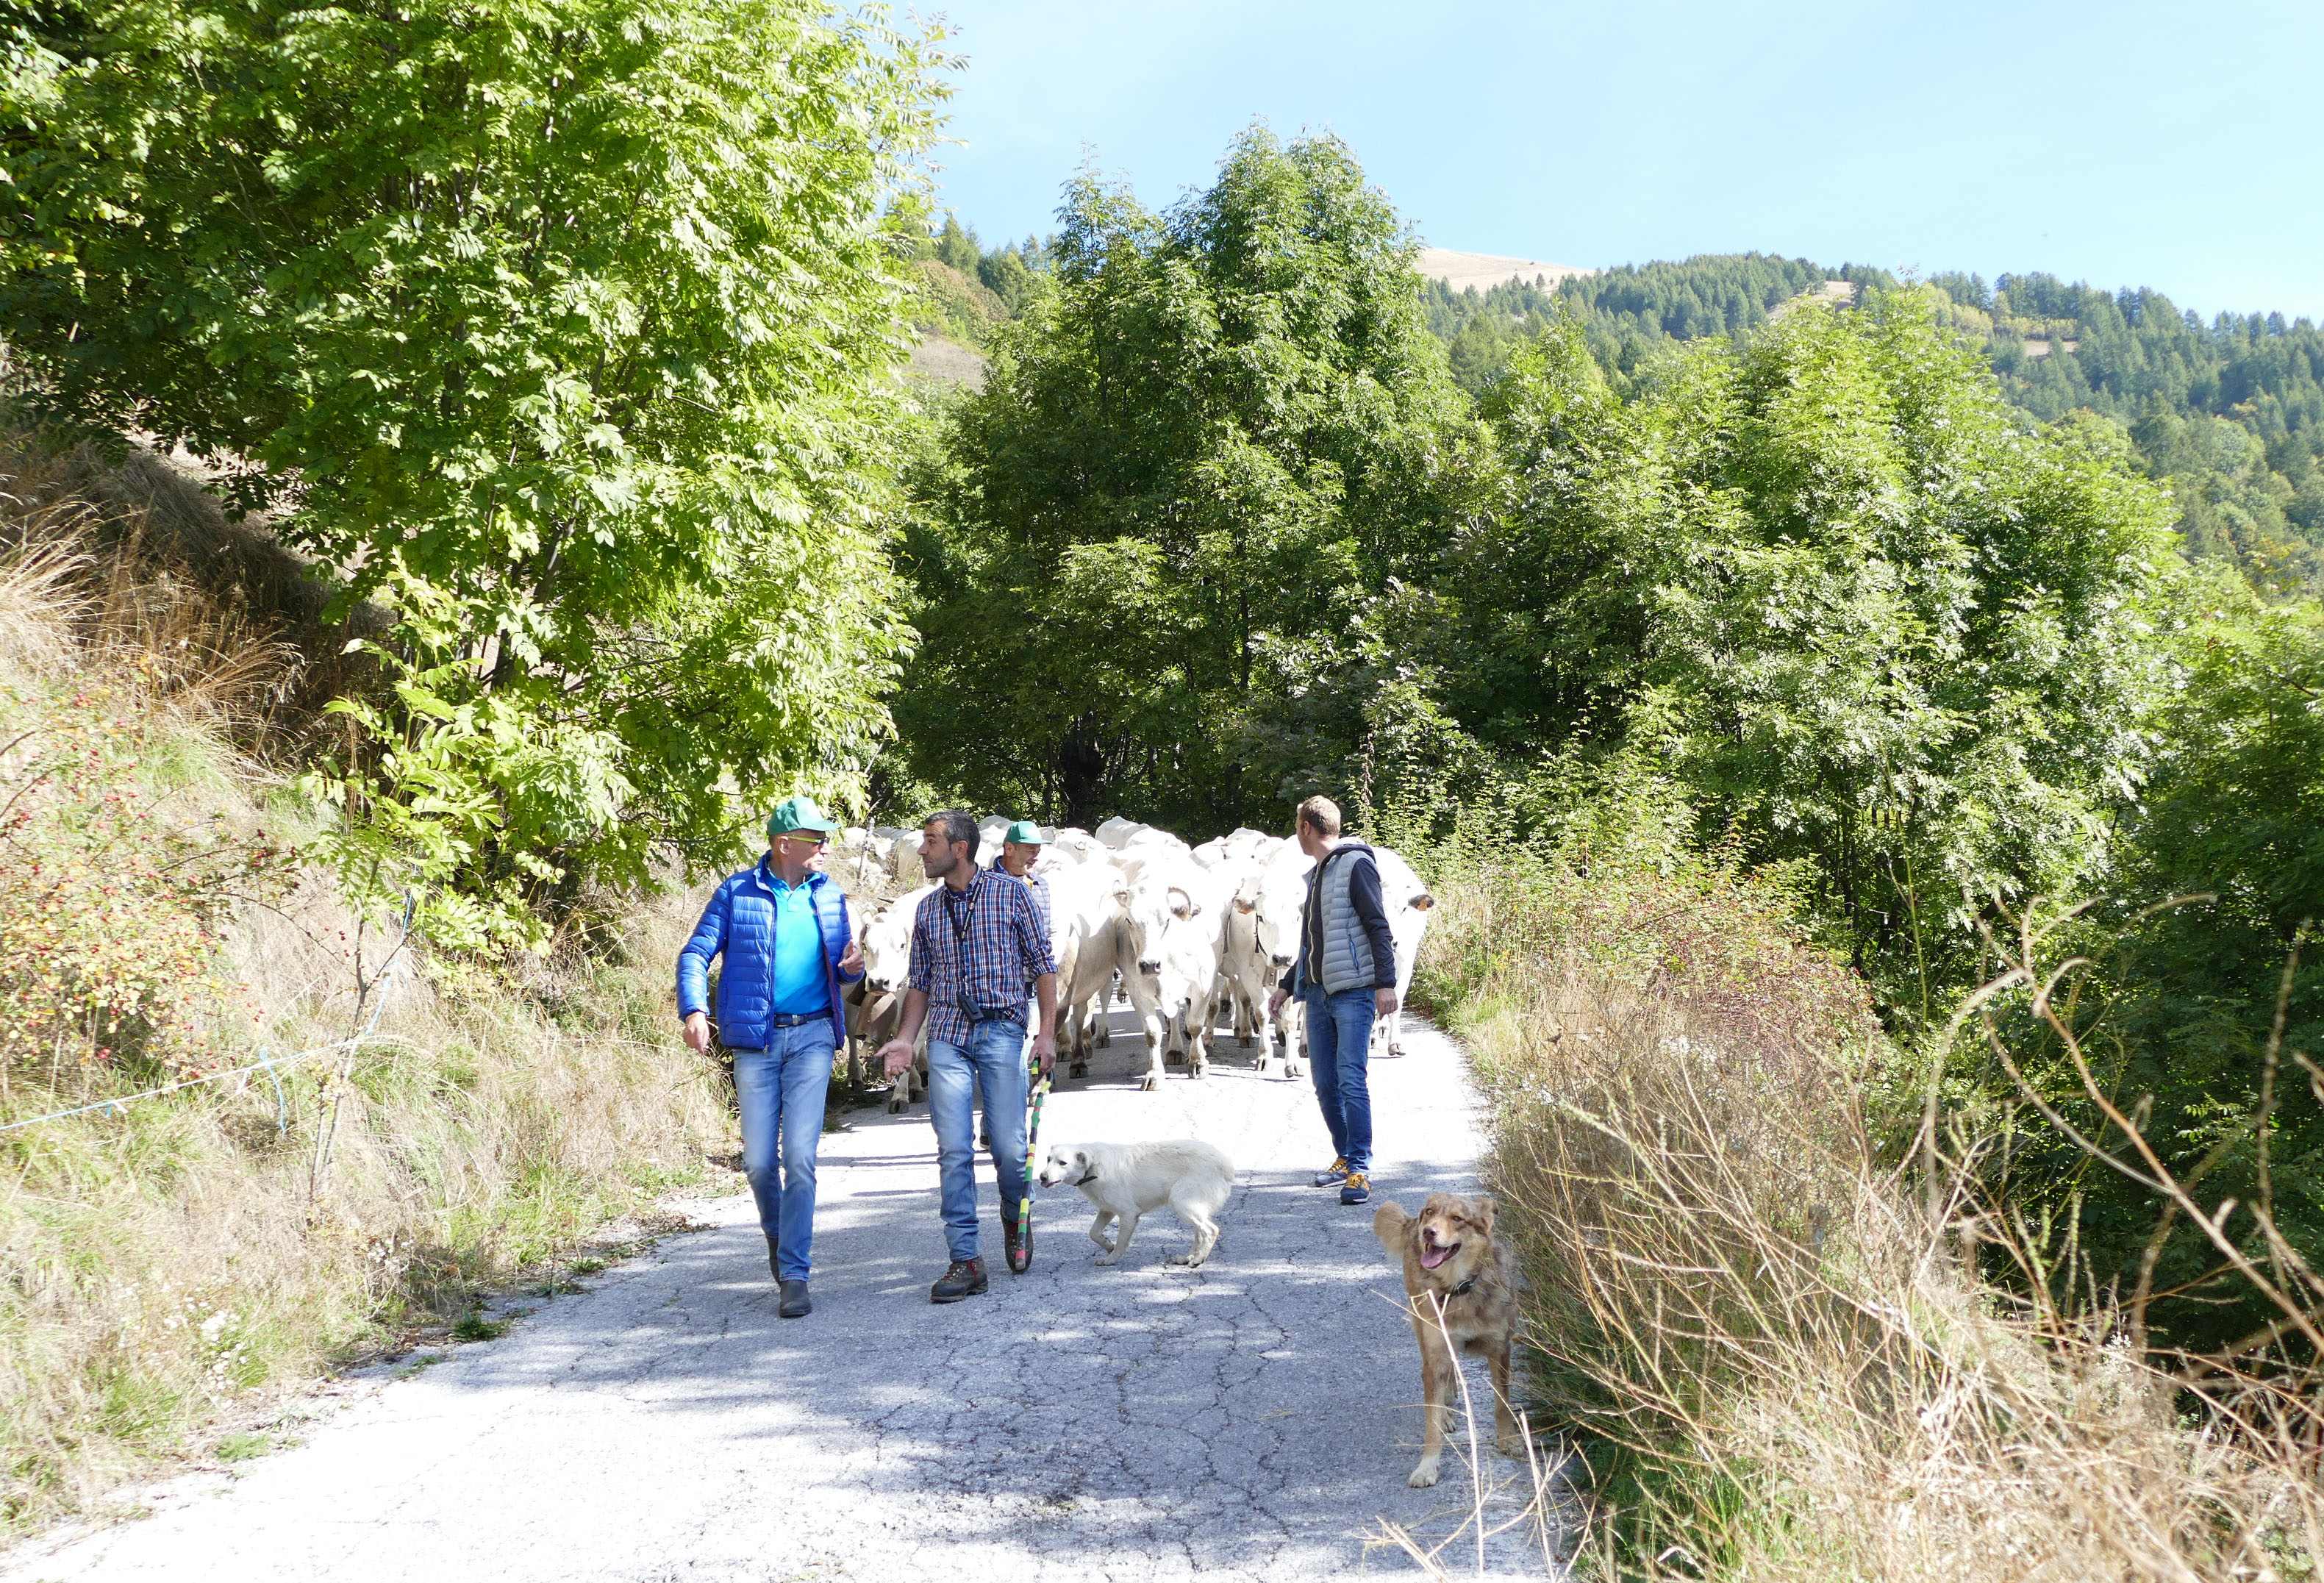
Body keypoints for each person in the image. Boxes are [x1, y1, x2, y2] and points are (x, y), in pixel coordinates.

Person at [676, 796, 864, 1319]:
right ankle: (778, 1239)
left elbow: (846, 972)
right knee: (760, 1163)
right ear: (785, 844)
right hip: (756, 1042)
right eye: (816, 839)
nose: (825, 847)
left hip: (812, 1037)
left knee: (800, 1159)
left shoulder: (830, 896)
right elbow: (695, 952)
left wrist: (854, 966)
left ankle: (795, 1273)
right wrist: (692, 1008)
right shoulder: (737, 892)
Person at [876, 812, 1058, 1298]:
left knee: (1008, 1149)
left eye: (930, 841)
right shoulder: (928, 910)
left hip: (1001, 1029)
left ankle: (1014, 1212)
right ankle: (965, 1259)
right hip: (947, 1037)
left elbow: (1043, 966)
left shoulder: (1014, 895)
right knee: (953, 1150)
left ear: (959, 849)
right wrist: (903, 1037)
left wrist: (1046, 1036)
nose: (921, 850)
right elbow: (920, 982)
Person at [1268, 795, 1398, 1207]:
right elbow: (1312, 941)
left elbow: (1379, 925)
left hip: (1355, 993)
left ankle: (1360, 1169)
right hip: (1319, 994)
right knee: (1325, 1084)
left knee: (1350, 1080)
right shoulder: (1320, 873)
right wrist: (1289, 984)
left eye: (1296, 827)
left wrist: (1386, 983)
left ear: (1306, 827)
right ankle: (1344, 1156)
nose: (1296, 834)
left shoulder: (1357, 865)